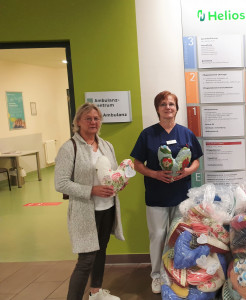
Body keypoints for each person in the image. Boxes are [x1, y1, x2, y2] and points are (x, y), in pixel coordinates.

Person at [130, 90, 203, 294]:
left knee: (179, 236)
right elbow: (136, 163)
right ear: (157, 109)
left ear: (176, 108)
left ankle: (175, 273)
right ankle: (156, 275)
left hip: (181, 194)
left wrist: (188, 170)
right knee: (158, 235)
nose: (168, 107)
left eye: (171, 104)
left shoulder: (186, 133)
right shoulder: (147, 134)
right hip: (156, 195)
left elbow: (196, 159)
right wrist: (154, 174)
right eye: (163, 104)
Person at [55, 103, 124, 300]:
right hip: (85, 211)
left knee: (101, 251)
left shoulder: (105, 145)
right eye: (88, 118)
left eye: (96, 118)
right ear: (78, 122)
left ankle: (96, 293)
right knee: (86, 259)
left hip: (107, 208)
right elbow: (60, 183)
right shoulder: (69, 148)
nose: (93, 122)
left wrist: (119, 183)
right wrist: (91, 190)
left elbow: (111, 173)